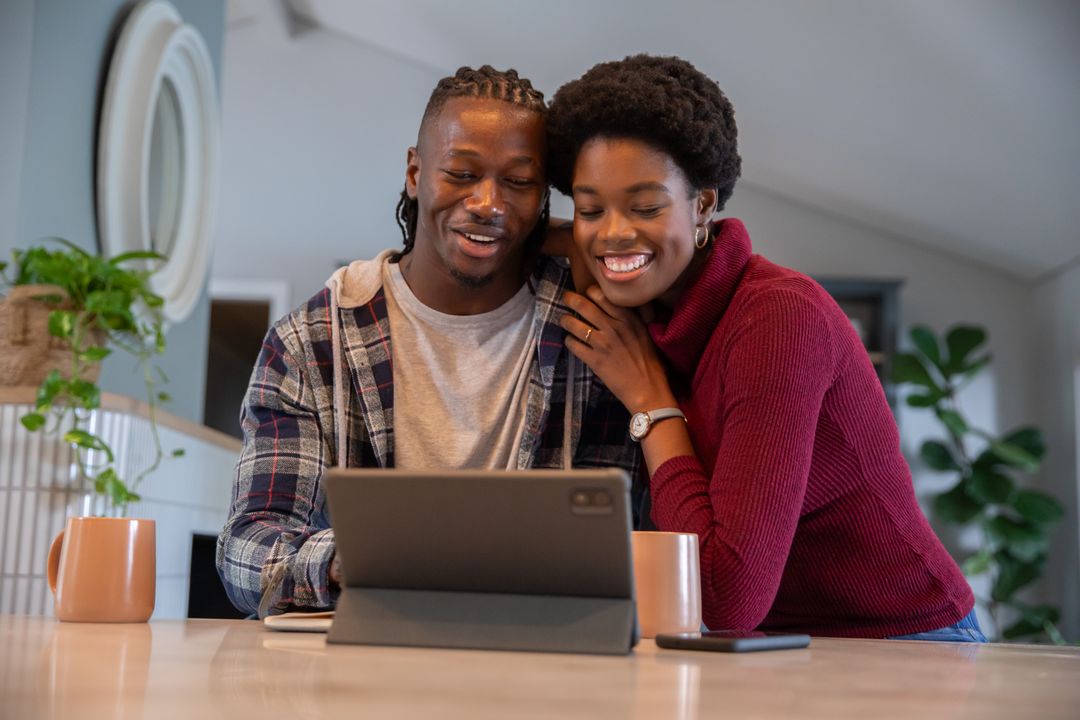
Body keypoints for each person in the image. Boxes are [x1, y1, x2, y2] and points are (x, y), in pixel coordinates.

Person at [545, 55, 984, 641]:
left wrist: (650, 400)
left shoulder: (778, 319)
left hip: (900, 640)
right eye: (590, 209)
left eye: (646, 206)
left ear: (703, 204)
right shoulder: (654, 306)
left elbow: (726, 598)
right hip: (778, 644)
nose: (613, 233)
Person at [217, 66, 639, 618]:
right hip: (359, 676)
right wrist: (368, 560)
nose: (488, 202)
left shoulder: (591, 329)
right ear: (415, 172)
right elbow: (249, 554)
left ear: (543, 197)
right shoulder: (310, 344)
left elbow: (619, 540)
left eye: (517, 182)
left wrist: (576, 240)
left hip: (536, 665)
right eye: (462, 173)